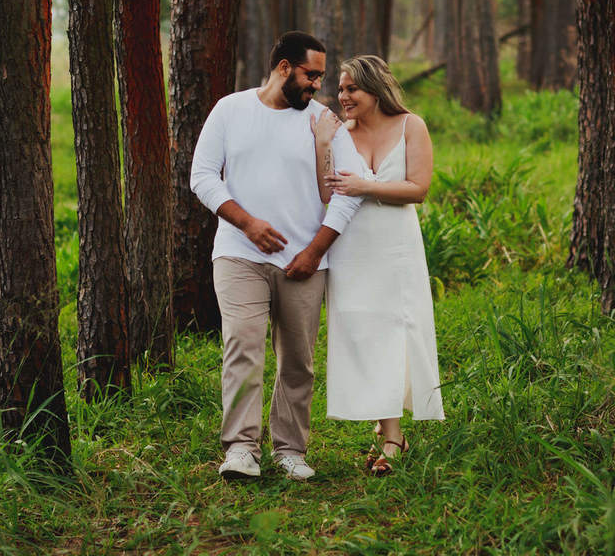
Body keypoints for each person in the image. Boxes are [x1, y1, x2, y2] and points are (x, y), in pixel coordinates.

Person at [190, 32, 365, 481]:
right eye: (311, 75)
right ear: (284, 68)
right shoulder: (230, 110)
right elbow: (203, 176)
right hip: (238, 255)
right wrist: (247, 223)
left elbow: (348, 193)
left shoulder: (323, 120)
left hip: (305, 262)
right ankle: (241, 449)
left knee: (298, 361)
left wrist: (314, 250)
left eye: (321, 77)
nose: (318, 86)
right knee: (243, 349)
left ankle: (290, 450)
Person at [312, 55, 445, 477]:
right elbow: (326, 194)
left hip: (395, 248)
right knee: (362, 333)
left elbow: (418, 188)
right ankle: (386, 427)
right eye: (341, 88)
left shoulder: (412, 126)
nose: (342, 96)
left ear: (374, 90)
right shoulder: (340, 135)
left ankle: (392, 436)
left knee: (394, 330)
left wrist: (365, 186)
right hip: (350, 249)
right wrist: (321, 145)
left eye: (351, 89)